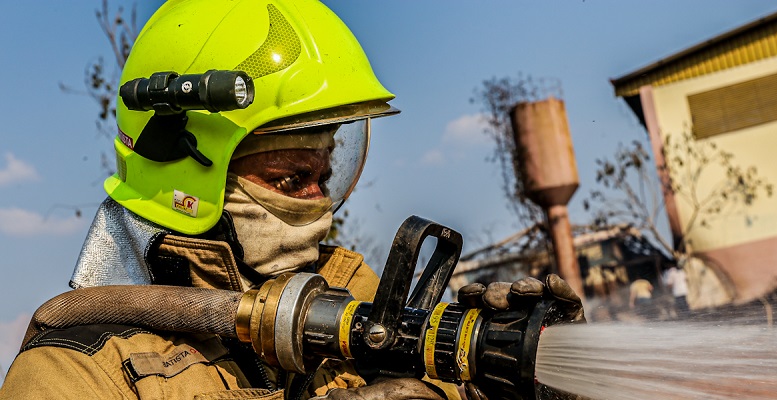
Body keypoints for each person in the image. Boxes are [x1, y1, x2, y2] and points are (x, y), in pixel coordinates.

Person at [0, 1, 583, 399]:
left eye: (324, 175)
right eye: (289, 177)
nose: (319, 205)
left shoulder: (356, 294)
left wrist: (505, 377)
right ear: (188, 172)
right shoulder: (72, 375)